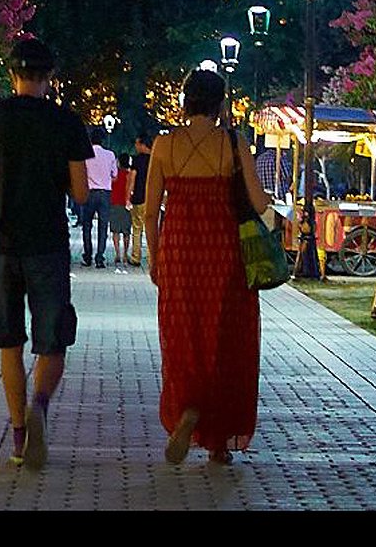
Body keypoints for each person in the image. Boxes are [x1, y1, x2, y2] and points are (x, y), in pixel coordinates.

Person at [144, 68, 271, 465]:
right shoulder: (233, 144)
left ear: (185, 101)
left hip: (179, 252)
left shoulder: (164, 146)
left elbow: (149, 213)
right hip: (224, 253)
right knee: (224, 339)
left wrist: (155, 258)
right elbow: (261, 203)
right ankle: (218, 441)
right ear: (220, 103)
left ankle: (187, 411)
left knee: (183, 337)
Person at [0, 37, 90, 470]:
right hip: (49, 245)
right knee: (52, 338)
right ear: (49, 77)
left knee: (9, 342)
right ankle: (39, 406)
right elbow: (80, 191)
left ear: (12, 74)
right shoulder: (67, 123)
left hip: (4, 243)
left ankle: (19, 439)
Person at [79, 128, 118, 267]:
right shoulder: (110, 155)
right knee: (103, 226)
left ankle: (87, 255)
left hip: (89, 192)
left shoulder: (84, 154)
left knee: (87, 225)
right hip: (105, 193)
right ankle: (100, 257)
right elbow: (114, 175)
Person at [126, 131, 154, 267]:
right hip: (152, 198)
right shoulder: (155, 160)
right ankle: (151, 258)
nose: (136, 146)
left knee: (137, 229)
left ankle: (136, 257)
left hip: (138, 197)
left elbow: (132, 180)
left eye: (137, 143)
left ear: (143, 145)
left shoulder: (137, 161)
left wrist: (128, 197)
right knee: (151, 228)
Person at [107, 154, 133, 266]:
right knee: (126, 231)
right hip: (126, 204)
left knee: (116, 231)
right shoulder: (129, 175)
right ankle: (126, 254)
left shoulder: (114, 176)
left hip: (114, 203)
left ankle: (117, 253)